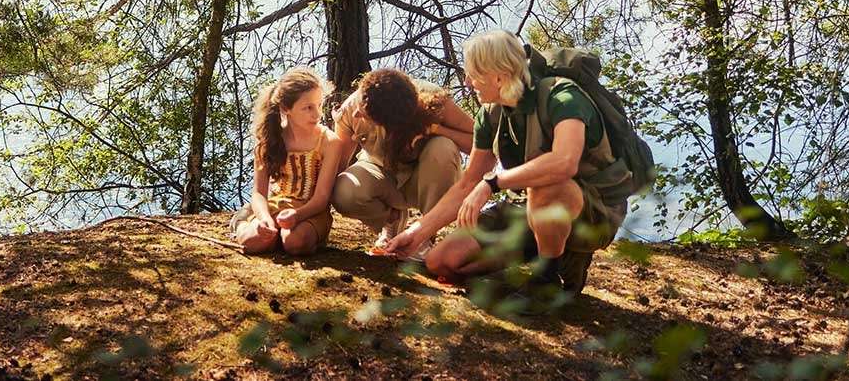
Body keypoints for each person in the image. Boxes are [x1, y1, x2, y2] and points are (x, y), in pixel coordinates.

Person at [383, 30, 630, 310]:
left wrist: (493, 182)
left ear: (498, 77)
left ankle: (548, 279)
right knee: (442, 262)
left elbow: (564, 162)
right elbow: (467, 183)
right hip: (527, 205)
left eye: (473, 74)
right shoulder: (491, 114)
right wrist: (415, 234)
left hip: (591, 211)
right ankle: (539, 254)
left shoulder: (563, 97)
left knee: (546, 181)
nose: (467, 82)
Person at [328, 68, 475, 254]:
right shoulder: (351, 108)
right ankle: (391, 220)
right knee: (344, 190)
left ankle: (424, 236)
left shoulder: (435, 101)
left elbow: (481, 143)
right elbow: (337, 164)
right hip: (379, 174)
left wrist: (436, 130)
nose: (357, 114)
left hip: (424, 178)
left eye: (366, 116)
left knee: (443, 148)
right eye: (359, 105)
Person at [231, 68, 347, 256]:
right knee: (253, 242)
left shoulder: (329, 142)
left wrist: (297, 215)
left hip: (311, 213)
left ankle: (291, 236)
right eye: (308, 108)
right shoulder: (269, 140)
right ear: (286, 108)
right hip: (275, 206)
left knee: (295, 242)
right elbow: (259, 193)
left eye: (319, 105)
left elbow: (321, 198)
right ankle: (241, 224)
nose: (317, 114)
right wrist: (264, 218)